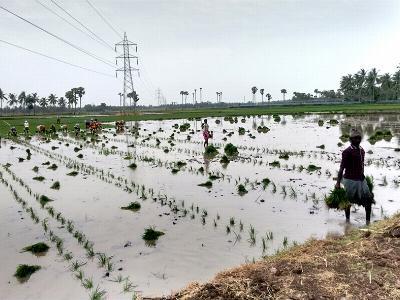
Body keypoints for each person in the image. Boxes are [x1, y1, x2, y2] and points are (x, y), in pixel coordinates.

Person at [335, 128, 373, 225]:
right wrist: (338, 182)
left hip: (361, 179)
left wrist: (362, 176)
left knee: (368, 200)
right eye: (355, 138)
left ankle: (368, 222)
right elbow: (342, 168)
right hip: (350, 180)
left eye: (359, 138)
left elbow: (362, 165)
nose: (357, 140)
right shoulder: (347, 152)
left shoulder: (362, 150)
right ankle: (347, 221)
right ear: (351, 139)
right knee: (348, 201)